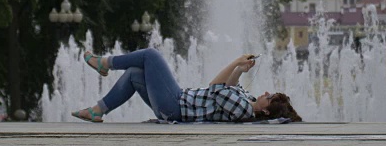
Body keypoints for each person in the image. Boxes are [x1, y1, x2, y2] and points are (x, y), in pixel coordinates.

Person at [71, 47, 302, 123]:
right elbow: (230, 88)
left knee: (151, 55)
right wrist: (240, 70)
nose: (265, 93)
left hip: (174, 106)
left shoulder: (243, 110)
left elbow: (215, 87)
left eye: (269, 97)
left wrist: (234, 62)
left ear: (264, 110)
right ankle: (97, 111)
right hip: (174, 103)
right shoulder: (247, 103)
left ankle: (105, 63)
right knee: (133, 74)